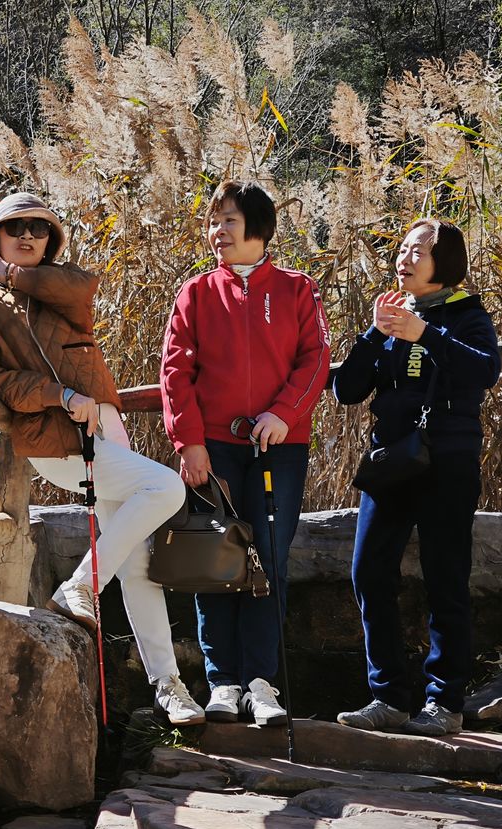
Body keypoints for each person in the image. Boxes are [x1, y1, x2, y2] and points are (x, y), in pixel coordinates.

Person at [0, 191, 205, 726]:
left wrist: (11, 275)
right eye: (14, 227)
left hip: (106, 427)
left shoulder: (57, 284)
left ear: (51, 239)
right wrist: (59, 395)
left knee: (137, 564)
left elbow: (84, 288)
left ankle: (169, 687)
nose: (27, 235)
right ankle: (81, 586)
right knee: (165, 488)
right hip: (54, 437)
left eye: (39, 228)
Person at [160, 180, 330, 726]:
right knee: (213, 560)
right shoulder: (196, 293)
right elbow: (175, 373)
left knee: (268, 560)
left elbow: (315, 360)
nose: (218, 231)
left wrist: (283, 413)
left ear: (258, 226)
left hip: (280, 447)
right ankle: (223, 683)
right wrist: (189, 442)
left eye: (229, 220)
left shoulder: (298, 289)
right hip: (214, 451)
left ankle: (261, 683)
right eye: (213, 222)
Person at [333, 218, 501, 736]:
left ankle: (444, 703)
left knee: (445, 579)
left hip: (447, 461)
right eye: (402, 249)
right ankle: (388, 697)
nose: (403, 258)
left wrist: (424, 334)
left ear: (443, 262)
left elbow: (485, 371)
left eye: (417, 252)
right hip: (392, 461)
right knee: (368, 572)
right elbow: (346, 390)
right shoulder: (393, 315)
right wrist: (374, 333)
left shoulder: (468, 314)